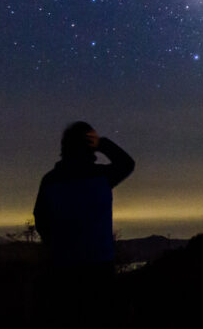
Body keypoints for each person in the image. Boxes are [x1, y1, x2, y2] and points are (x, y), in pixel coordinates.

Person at [33, 121, 135, 326]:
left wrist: (54, 246)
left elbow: (40, 218)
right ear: (90, 145)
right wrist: (103, 144)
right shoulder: (102, 176)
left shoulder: (50, 180)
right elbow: (127, 164)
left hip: (63, 268)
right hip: (100, 268)